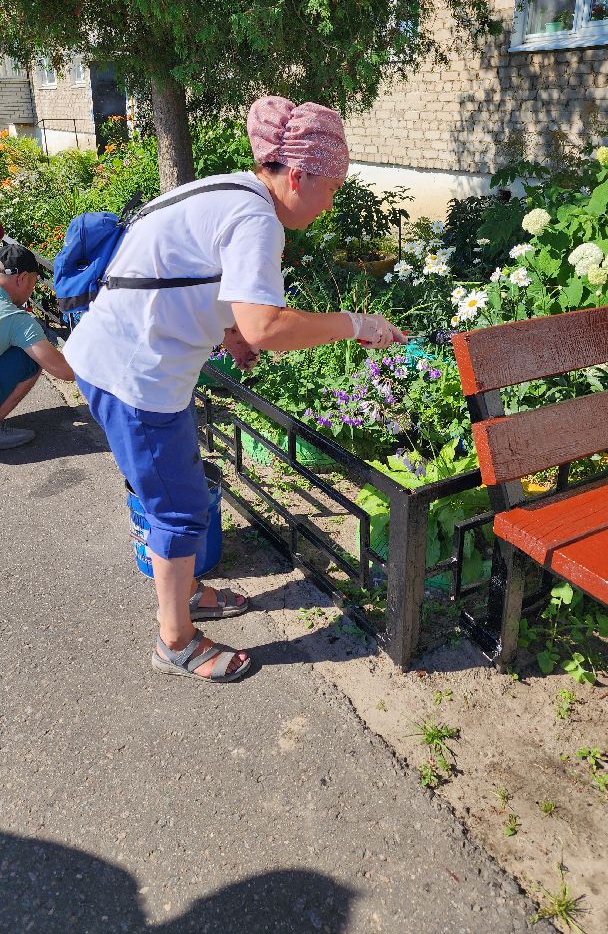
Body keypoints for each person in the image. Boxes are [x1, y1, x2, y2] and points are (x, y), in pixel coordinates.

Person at [63, 96, 406, 683]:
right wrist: (355, 324)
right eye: (331, 189)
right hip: (137, 376)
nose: (329, 205)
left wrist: (227, 330)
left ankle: (187, 590)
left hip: (117, 355)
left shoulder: (233, 189)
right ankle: (176, 640)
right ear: (297, 176)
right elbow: (267, 328)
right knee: (179, 507)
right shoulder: (257, 220)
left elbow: (181, 272)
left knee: (174, 489)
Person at [0, 242, 74, 449]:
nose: (31, 290)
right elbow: (65, 372)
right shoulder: (16, 318)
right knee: (30, 359)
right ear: (22, 278)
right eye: (32, 283)